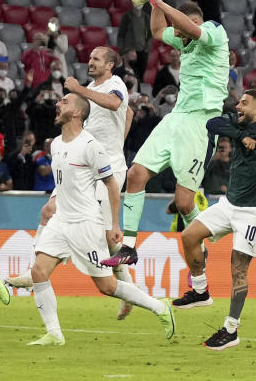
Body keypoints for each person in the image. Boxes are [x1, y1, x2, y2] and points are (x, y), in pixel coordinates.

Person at [25, 93, 175, 346]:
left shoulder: (90, 146)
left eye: (64, 102)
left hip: (86, 223)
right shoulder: (56, 144)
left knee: (106, 286)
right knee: (39, 271)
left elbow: (112, 185)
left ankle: (160, 308)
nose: (58, 104)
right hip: (61, 220)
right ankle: (54, 333)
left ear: (76, 113)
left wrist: (114, 224)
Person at [102, 0, 229, 269]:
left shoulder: (213, 31)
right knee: (135, 174)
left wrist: (158, 2)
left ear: (194, 21)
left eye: (183, 30)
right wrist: (153, 0)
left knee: (184, 203)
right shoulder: (185, 37)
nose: (179, 38)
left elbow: (190, 28)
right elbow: (159, 31)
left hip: (201, 122)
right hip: (177, 117)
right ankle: (129, 247)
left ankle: (200, 240)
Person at [172, 90, 256, 349]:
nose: (237, 106)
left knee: (238, 269)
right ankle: (200, 291)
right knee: (189, 235)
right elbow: (211, 123)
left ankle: (231, 329)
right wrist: (240, 135)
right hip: (228, 205)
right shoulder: (237, 123)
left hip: (252, 212)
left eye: (243, 103)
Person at [62, 46, 136, 320]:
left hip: (109, 170)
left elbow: (117, 104)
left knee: (108, 235)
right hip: (89, 168)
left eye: (96, 59)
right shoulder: (94, 87)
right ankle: (38, 267)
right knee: (54, 210)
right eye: (89, 57)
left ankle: (129, 289)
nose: (90, 62)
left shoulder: (114, 84)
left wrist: (79, 89)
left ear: (110, 65)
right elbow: (126, 115)